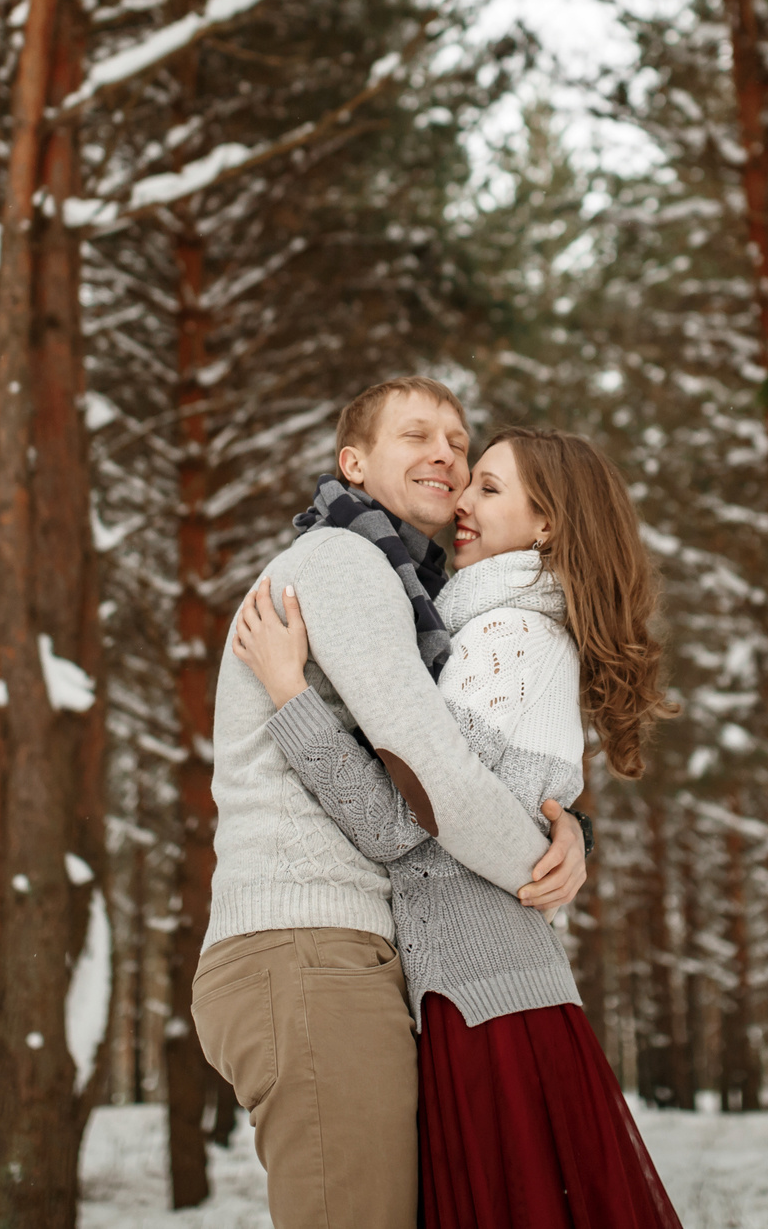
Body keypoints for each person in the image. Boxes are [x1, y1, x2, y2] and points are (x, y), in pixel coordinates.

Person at [230, 425, 685, 1229]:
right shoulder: (494, 630)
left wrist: (289, 695)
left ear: (547, 525)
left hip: (486, 1007)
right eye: (470, 483)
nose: (463, 502)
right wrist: (569, 830)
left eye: (491, 488)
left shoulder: (506, 637)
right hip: (478, 991)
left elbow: (401, 824)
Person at [189, 377, 588, 1229]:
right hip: (308, 948)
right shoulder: (346, 561)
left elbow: (464, 752)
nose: (445, 451)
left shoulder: (410, 590)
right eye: (416, 435)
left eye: (457, 437)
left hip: (331, 951)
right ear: (354, 462)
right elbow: (432, 778)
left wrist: (571, 829)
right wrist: (543, 865)